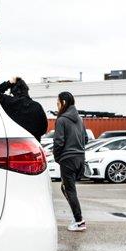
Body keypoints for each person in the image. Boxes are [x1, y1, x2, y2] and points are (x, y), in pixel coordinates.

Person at [53, 91, 87, 232]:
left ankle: (79, 221)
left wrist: (57, 157)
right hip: (80, 159)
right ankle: (76, 217)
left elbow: (58, 142)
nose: (57, 106)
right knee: (66, 188)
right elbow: (85, 139)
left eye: (58, 103)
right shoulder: (79, 119)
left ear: (63, 103)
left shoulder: (61, 120)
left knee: (69, 190)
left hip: (68, 159)